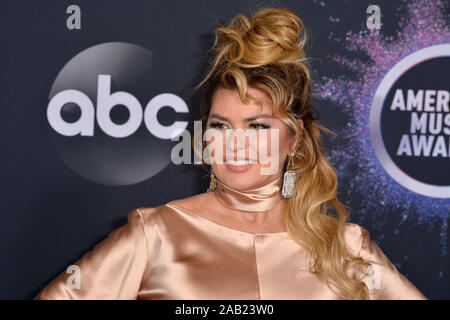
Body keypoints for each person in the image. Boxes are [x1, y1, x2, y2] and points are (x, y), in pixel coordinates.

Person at [34, 7, 427, 300]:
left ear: (296, 140)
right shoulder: (154, 234)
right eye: (221, 126)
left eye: (258, 126)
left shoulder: (345, 246)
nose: (235, 143)